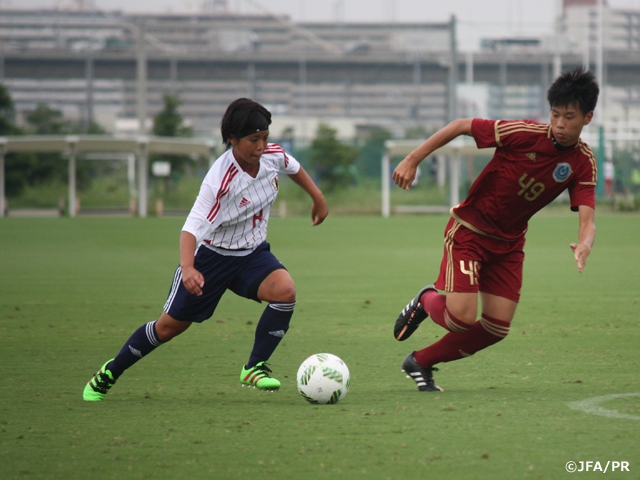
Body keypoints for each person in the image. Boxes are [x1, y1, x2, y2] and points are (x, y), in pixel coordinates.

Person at [83, 98, 328, 401]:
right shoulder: (220, 180)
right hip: (210, 259)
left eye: (264, 137)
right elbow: (190, 228)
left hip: (252, 254)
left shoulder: (271, 156)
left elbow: (294, 167)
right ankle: (111, 371)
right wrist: (188, 268)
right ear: (233, 140)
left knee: (285, 292)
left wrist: (318, 198)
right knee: (168, 328)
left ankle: (254, 367)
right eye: (254, 140)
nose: (261, 145)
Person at [392, 68, 598, 392]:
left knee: (496, 326)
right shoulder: (524, 133)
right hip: (470, 231)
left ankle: (420, 361)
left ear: (587, 117)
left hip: (509, 244)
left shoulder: (583, 161)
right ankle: (427, 298)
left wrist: (585, 243)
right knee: (460, 318)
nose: (559, 123)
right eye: (555, 114)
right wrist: (412, 159)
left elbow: (587, 219)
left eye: (569, 117)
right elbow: (461, 125)